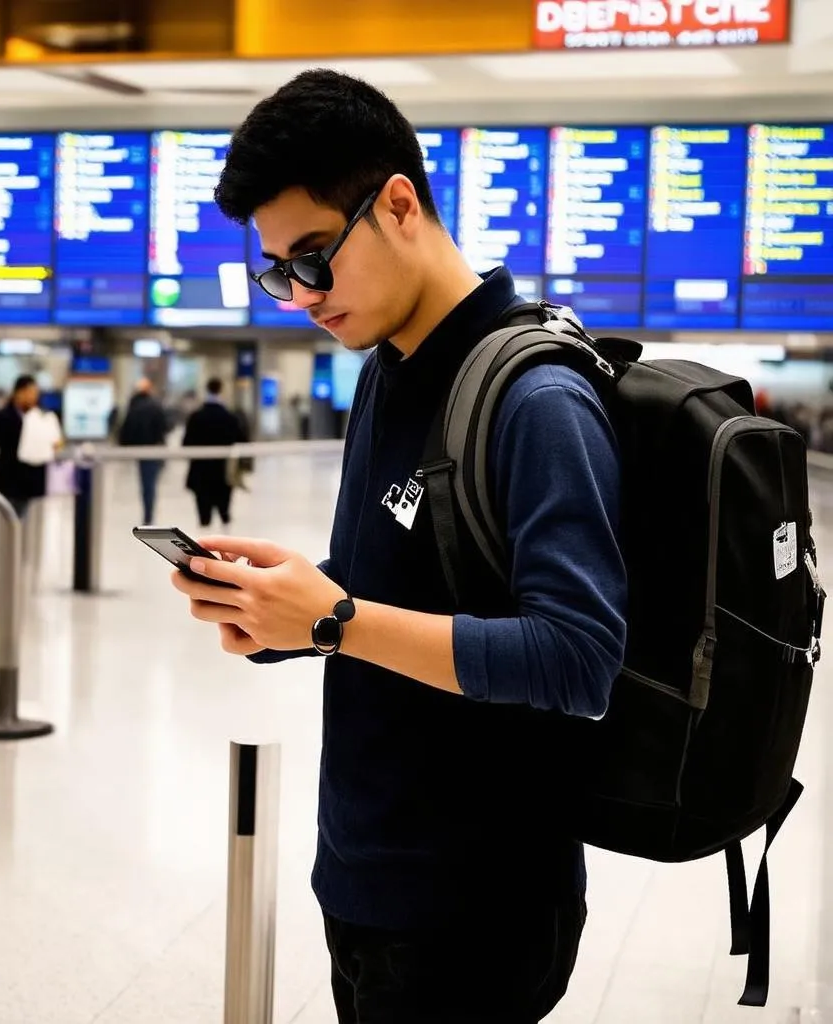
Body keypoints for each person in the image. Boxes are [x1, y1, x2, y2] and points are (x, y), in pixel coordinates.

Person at [169, 70, 627, 1024]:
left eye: (314, 258)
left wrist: (335, 619)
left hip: (476, 903)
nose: (300, 296)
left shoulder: (537, 400)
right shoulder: (387, 366)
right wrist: (288, 611)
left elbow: (582, 660)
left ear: (399, 204)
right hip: (367, 870)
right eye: (279, 272)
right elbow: (390, 589)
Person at [182, 378, 243, 528]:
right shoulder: (230, 418)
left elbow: (186, 443)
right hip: (223, 472)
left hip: (201, 473)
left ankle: (204, 547)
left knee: (204, 517)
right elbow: (242, 440)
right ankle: (226, 548)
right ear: (221, 390)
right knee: (225, 514)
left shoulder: (196, 417)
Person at [0, 375, 45, 520]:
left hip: (30, 481)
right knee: (8, 520)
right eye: (31, 393)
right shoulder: (2, 417)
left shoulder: (40, 417)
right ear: (19, 392)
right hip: (9, 480)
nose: (34, 397)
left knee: (26, 522)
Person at [118, 377, 168, 524]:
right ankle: (149, 513)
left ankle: (147, 514)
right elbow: (164, 427)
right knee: (150, 483)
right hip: (154, 449)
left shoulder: (134, 406)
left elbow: (126, 428)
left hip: (139, 448)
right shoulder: (155, 405)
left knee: (145, 483)